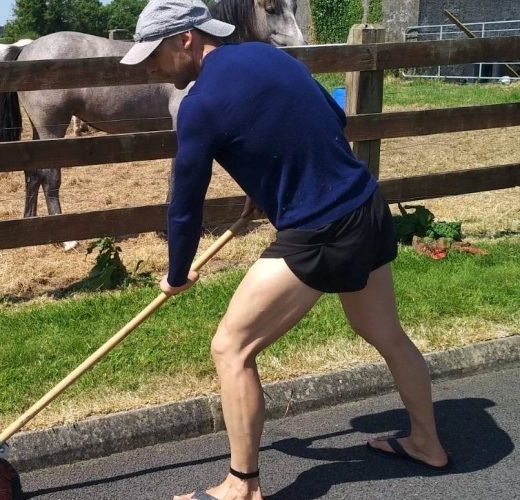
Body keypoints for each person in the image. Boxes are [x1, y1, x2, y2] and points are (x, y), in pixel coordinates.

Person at [119, 1, 450, 499]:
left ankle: (241, 486)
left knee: (231, 348)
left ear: (185, 39)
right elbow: (332, 117)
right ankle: (428, 443)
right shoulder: (267, 54)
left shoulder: (199, 104)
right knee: (384, 332)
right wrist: (270, 178)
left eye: (153, 55)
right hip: (365, 205)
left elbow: (184, 206)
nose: (149, 68)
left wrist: (177, 272)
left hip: (321, 230)